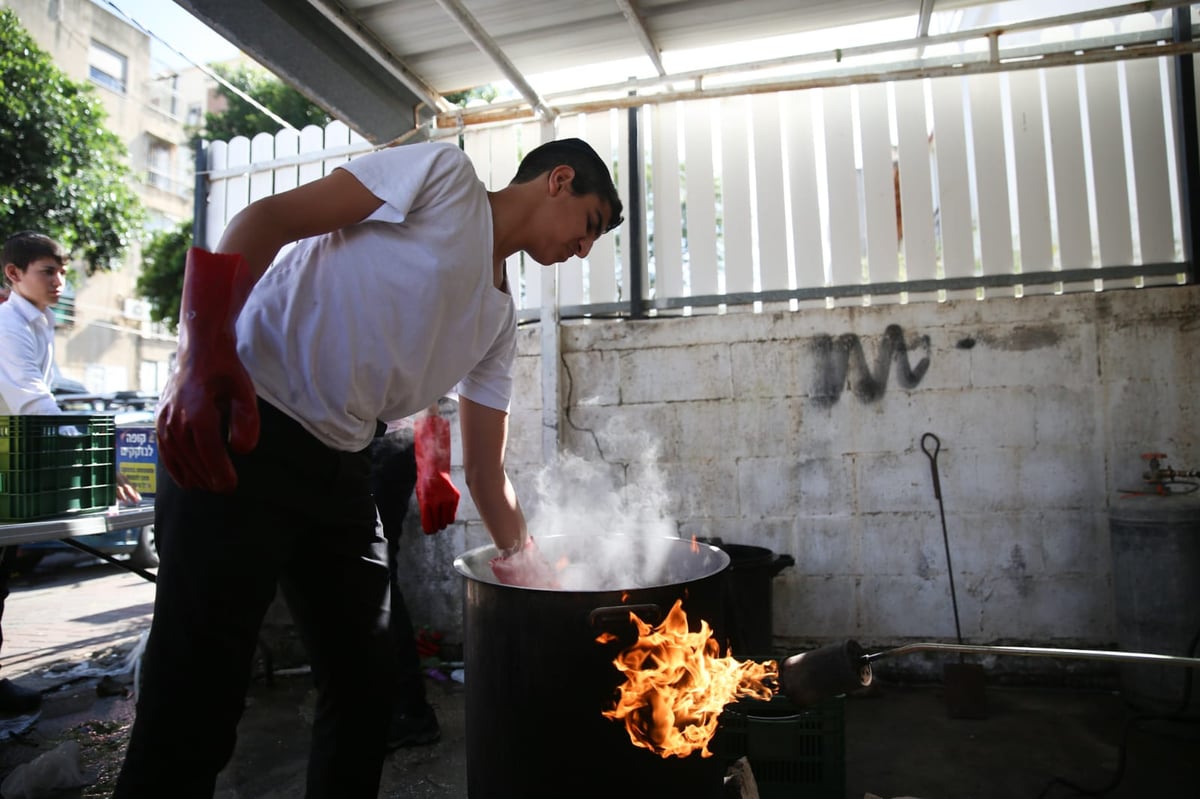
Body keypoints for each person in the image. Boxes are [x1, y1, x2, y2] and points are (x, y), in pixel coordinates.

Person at [113, 137, 622, 797]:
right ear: (559, 180)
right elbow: (264, 221)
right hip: (248, 426)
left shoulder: (498, 320)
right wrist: (198, 353)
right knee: (194, 702)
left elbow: (489, 475)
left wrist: (530, 565)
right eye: (589, 227)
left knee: (367, 687)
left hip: (342, 470)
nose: (583, 250)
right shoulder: (444, 175)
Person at [0, 232, 141, 717]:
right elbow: (36, 406)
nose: (60, 281)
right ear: (13, 274)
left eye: (63, 271)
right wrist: (98, 463)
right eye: (47, 271)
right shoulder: (8, 326)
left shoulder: (38, 322)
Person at [369, 399, 459, 749]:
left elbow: (426, 384)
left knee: (375, 578)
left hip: (384, 445)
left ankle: (410, 712)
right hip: (372, 444)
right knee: (371, 577)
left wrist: (434, 465)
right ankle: (403, 709)